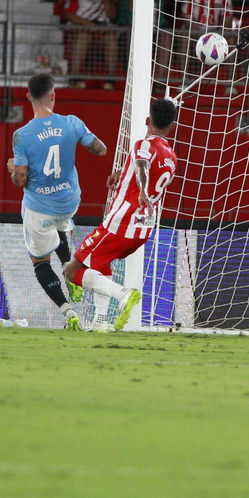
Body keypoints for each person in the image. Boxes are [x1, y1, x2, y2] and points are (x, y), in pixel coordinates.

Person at [64, 96, 178, 332]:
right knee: (101, 264)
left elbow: (142, 167)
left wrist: (143, 190)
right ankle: (101, 322)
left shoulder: (144, 144)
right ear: (172, 126)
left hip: (122, 222)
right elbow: (141, 169)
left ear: (148, 120)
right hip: (144, 227)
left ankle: (123, 294)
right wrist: (122, 173)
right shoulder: (171, 156)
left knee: (72, 269)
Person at [9, 72, 110, 330]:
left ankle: (68, 311)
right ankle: (69, 268)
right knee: (61, 222)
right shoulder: (72, 123)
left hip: (41, 207)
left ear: (28, 96)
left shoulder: (22, 135)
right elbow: (100, 150)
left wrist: (14, 168)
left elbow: (20, 180)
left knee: (40, 261)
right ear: (54, 96)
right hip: (69, 201)